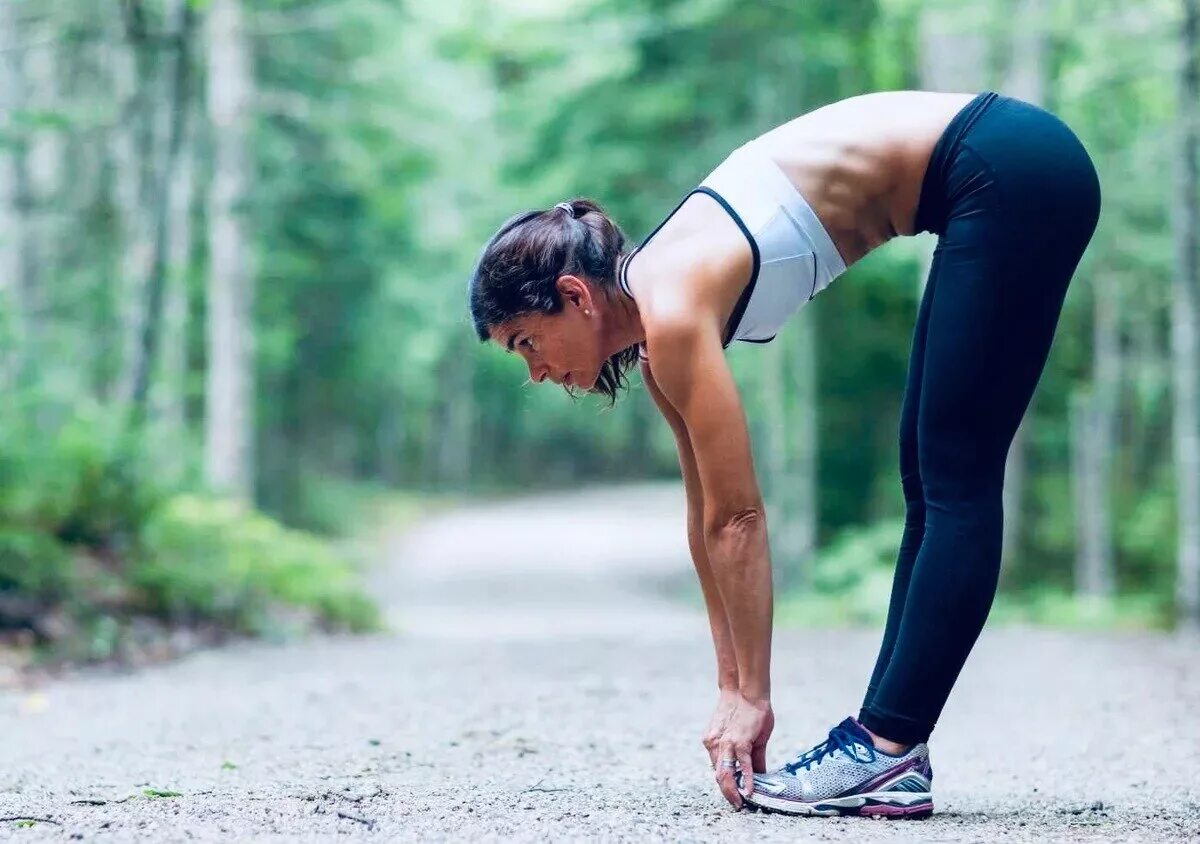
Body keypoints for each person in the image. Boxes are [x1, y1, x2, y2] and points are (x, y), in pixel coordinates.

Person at [467, 90, 1101, 817]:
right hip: (994, 173)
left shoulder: (670, 308)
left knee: (954, 477)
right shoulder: (659, 331)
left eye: (526, 343)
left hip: (1006, 164)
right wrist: (732, 690)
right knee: (931, 480)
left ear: (575, 295)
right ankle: (887, 747)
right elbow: (706, 514)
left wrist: (756, 698)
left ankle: (889, 749)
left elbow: (741, 519)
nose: (535, 372)